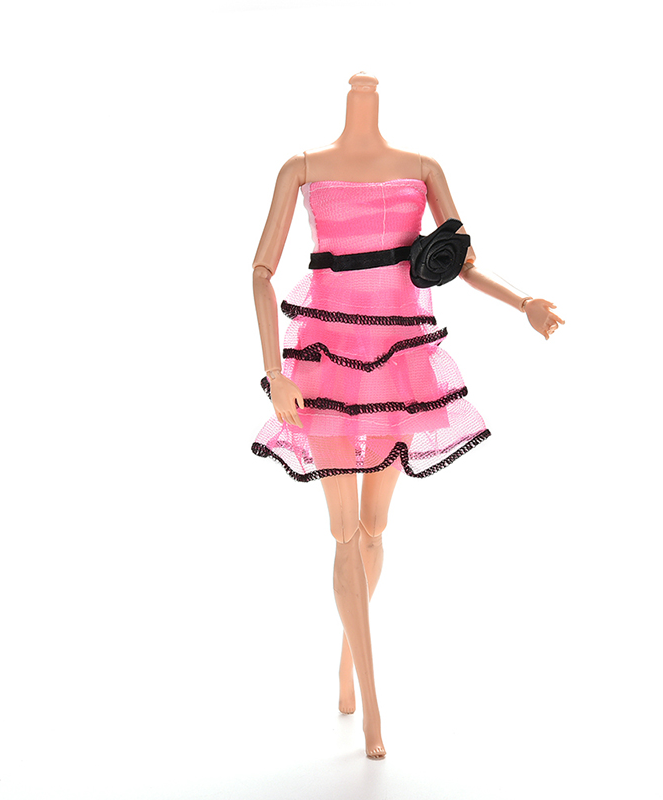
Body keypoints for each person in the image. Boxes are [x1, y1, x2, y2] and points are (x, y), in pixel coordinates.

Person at [251, 73, 564, 760]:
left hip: (398, 361)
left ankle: (346, 661)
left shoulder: (423, 168)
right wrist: (275, 371)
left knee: (374, 527)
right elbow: (261, 271)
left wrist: (525, 302)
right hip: (326, 361)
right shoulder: (302, 168)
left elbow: (463, 263)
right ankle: (371, 709)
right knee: (343, 532)